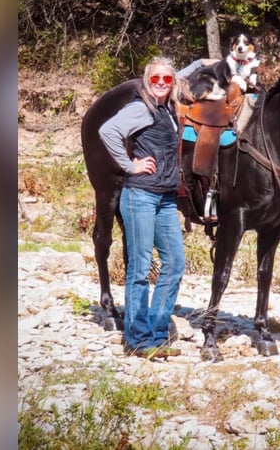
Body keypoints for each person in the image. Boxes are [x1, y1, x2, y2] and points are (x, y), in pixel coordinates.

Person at [99, 56, 186, 359]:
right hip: (140, 197)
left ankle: (157, 334)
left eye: (167, 79)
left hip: (164, 198)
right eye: (155, 79)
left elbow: (189, 73)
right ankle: (137, 338)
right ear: (147, 81)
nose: (161, 83)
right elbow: (107, 132)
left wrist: (205, 62)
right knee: (139, 268)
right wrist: (129, 165)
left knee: (175, 263)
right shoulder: (141, 108)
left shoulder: (168, 109)